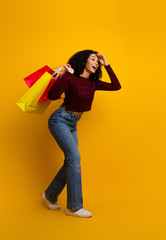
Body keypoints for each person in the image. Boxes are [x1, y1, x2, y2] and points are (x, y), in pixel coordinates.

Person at [41, 50, 121, 218]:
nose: (96, 63)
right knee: (74, 159)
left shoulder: (93, 83)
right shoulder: (71, 78)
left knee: (71, 161)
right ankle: (74, 207)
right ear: (83, 61)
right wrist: (66, 76)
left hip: (73, 123)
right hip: (60, 120)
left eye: (97, 61)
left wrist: (107, 65)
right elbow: (52, 95)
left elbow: (116, 86)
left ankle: (49, 196)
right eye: (93, 59)